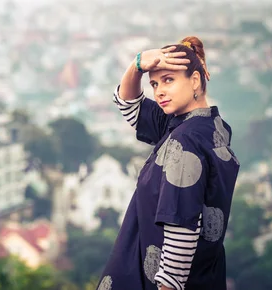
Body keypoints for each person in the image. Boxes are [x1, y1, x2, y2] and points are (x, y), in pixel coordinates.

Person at [96, 36, 240, 290]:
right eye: (154, 83)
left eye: (168, 80)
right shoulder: (203, 128)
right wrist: (137, 65)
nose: (159, 90)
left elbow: (180, 227)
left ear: (195, 80)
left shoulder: (185, 142)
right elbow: (129, 105)